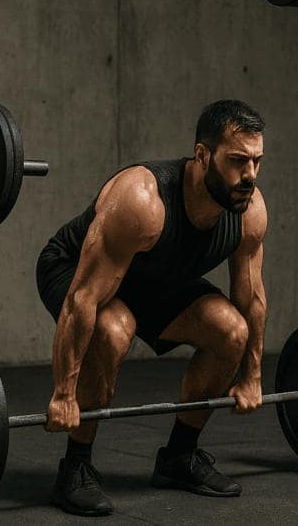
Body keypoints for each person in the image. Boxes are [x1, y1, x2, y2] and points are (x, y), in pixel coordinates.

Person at [36, 99, 268, 517]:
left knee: (231, 332)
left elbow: (250, 296)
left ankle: (179, 458)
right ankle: (76, 466)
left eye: (256, 161)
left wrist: (251, 374)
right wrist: (63, 393)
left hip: (156, 280)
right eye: (237, 161)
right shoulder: (142, 200)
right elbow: (82, 299)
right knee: (112, 330)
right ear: (202, 155)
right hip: (75, 271)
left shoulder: (248, 211)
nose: (249, 176)